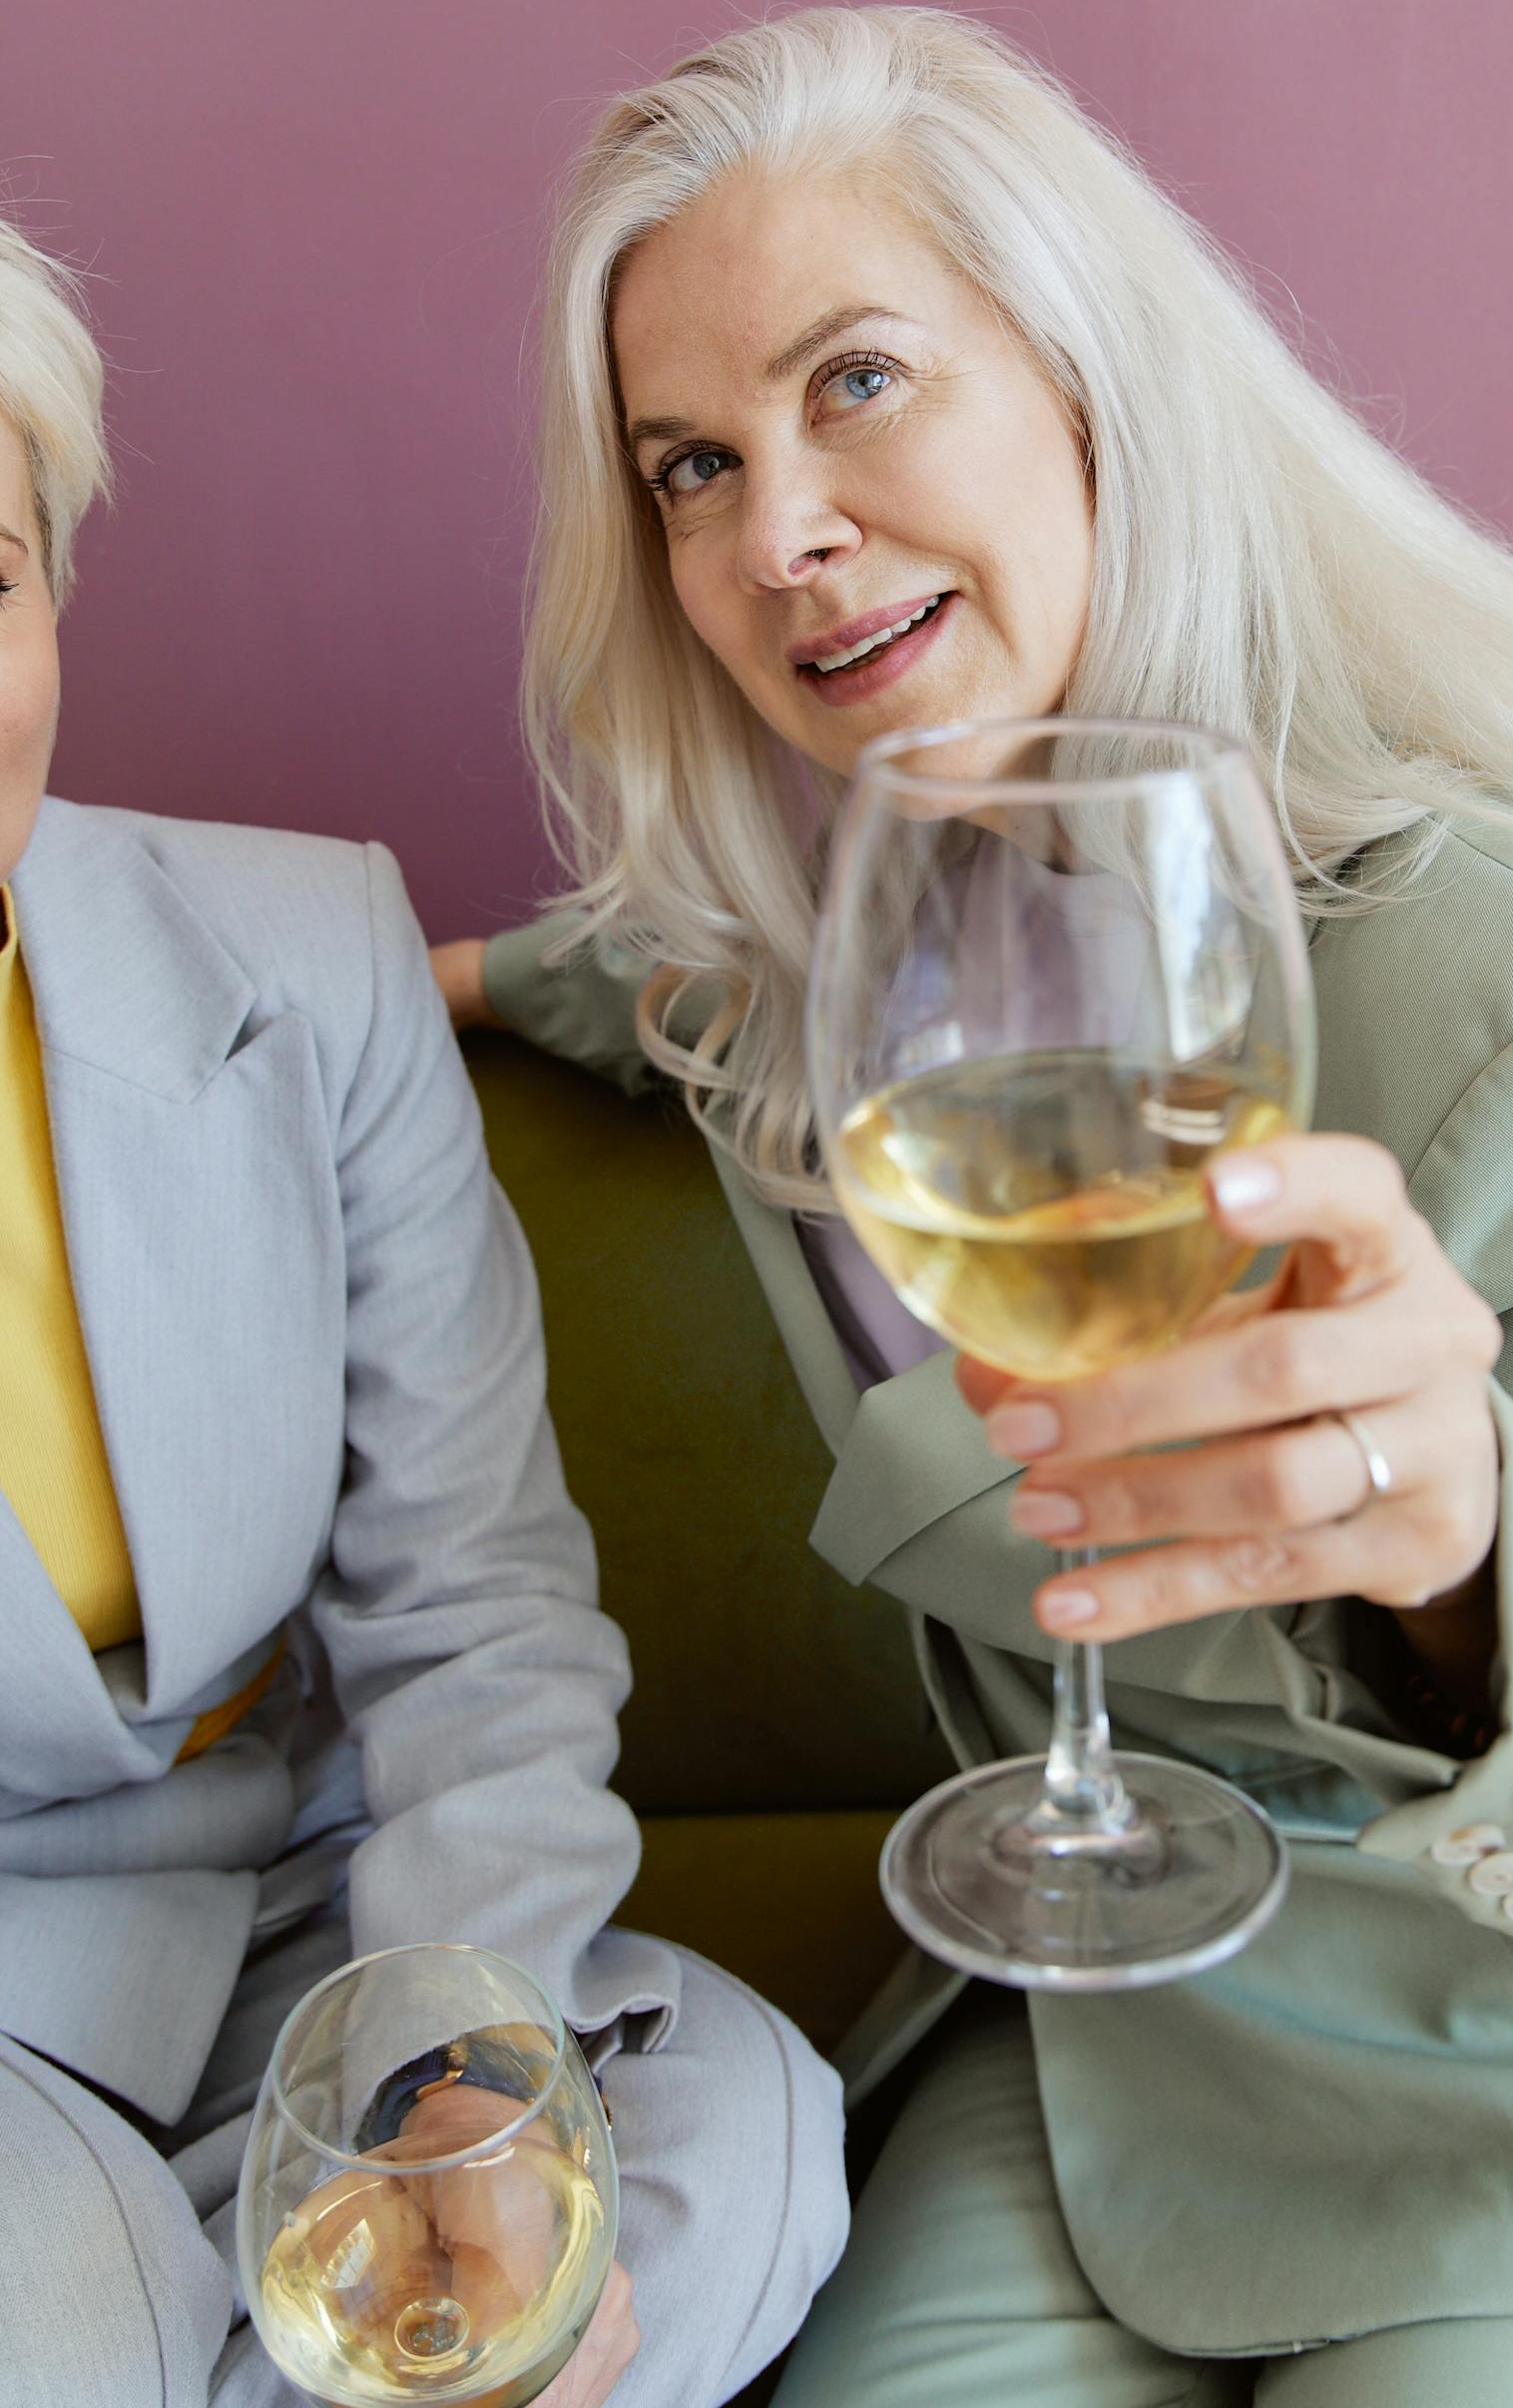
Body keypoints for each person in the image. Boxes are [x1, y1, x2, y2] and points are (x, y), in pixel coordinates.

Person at [434, 7, 1513, 2407]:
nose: (774, 531)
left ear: (1095, 383)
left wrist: (1473, 1557)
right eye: (690, 462)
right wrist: (335, 988)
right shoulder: (846, 964)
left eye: (863, 383)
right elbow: (663, 972)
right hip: (1104, 2056)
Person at [0, 215, 848, 2408]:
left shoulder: (309, 956)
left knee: (719, 2159)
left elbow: (470, 1609)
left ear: (52, 593)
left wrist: (464, 2064)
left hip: (300, 1938)